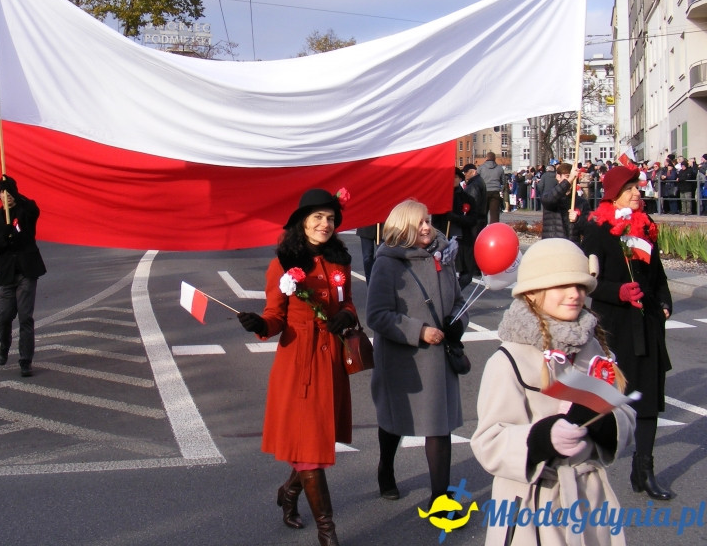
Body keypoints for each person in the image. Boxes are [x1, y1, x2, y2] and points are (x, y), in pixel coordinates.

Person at [471, 238, 636, 546]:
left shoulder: (593, 347)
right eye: (562, 286)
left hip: (589, 504)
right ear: (533, 293)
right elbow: (488, 442)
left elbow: (625, 416)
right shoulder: (507, 360)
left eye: (580, 286)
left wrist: (605, 423)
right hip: (532, 508)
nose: (575, 294)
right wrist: (542, 437)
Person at [236, 188, 356, 546]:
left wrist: (346, 315)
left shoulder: (340, 260)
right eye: (318, 217)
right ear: (302, 222)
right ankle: (327, 532)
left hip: (330, 363)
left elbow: (347, 301)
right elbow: (276, 316)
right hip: (298, 364)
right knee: (308, 448)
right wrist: (260, 324)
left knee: (312, 445)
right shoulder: (282, 264)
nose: (325, 224)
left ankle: (289, 492)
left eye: (331, 218)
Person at [581, 165, 675, 499]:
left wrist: (663, 301)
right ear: (614, 193)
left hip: (646, 324)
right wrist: (617, 291)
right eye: (631, 188)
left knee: (648, 399)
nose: (638, 192)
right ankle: (582, 469)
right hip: (615, 327)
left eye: (639, 187)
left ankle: (644, 469)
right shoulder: (597, 231)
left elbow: (658, 274)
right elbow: (590, 281)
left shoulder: (646, 228)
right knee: (607, 403)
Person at [365, 199, 467, 506]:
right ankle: (386, 468)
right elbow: (377, 314)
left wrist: (457, 324)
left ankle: (440, 495)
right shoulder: (387, 262)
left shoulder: (442, 256)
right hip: (403, 360)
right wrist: (418, 331)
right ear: (405, 226)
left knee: (439, 424)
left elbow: (460, 301)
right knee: (395, 422)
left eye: (428, 220)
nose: (428, 227)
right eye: (420, 222)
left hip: (439, 359)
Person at [0, 175, 46, 377]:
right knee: (4, 316)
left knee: (25, 317)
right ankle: (4, 344)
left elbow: (34, 209)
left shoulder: (25, 212)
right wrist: (5, 234)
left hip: (27, 271)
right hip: (7, 275)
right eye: (3, 192)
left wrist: (18, 197)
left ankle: (25, 360)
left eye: (10, 191)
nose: (7, 195)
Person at [540, 163, 589, 243]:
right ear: (558, 176)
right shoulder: (549, 195)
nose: (572, 180)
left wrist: (578, 219)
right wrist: (569, 180)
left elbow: (588, 229)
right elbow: (550, 200)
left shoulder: (581, 202)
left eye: (574, 177)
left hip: (572, 248)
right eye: (567, 176)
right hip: (553, 247)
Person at [478, 151, 505, 223]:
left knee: (483, 213)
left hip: (484, 192)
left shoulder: (481, 168)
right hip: (495, 192)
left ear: (486, 158)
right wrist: (500, 189)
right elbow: (503, 182)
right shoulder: (500, 168)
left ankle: (483, 230)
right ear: (495, 159)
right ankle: (494, 230)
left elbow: (477, 180)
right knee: (494, 214)